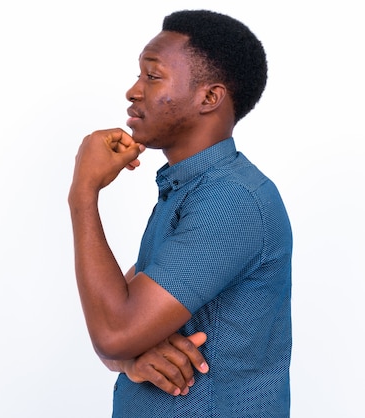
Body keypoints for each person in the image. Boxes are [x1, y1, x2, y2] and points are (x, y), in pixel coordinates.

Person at [68, 9, 292, 417]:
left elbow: (113, 331)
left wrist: (83, 193)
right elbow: (114, 326)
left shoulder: (232, 201)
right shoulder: (189, 189)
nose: (133, 91)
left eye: (152, 77)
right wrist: (131, 361)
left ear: (209, 97)